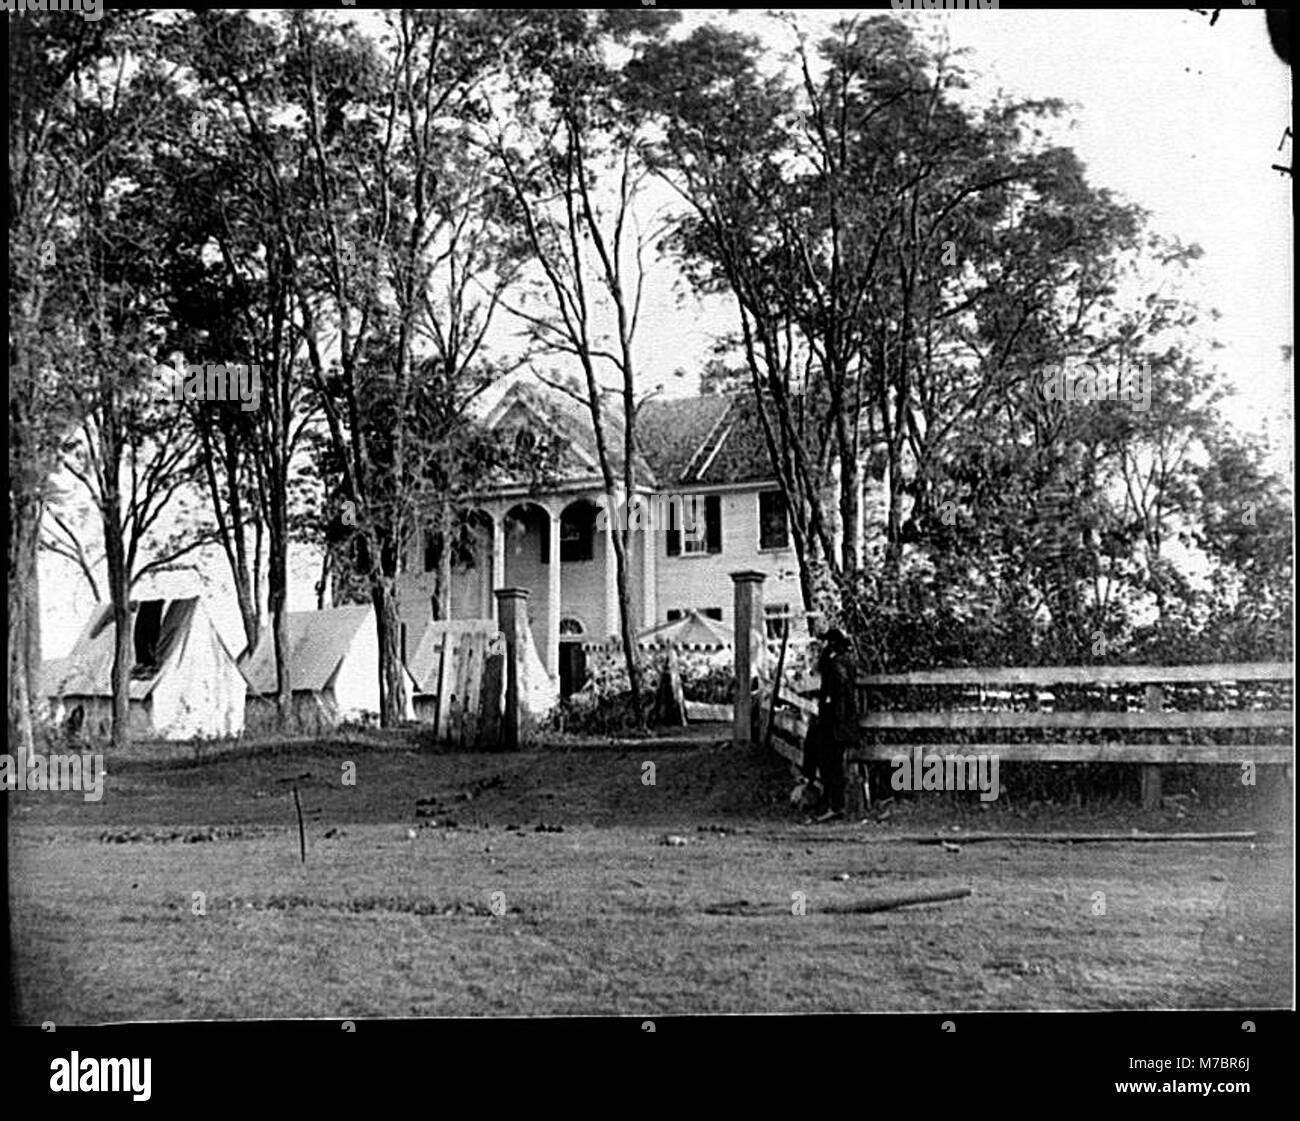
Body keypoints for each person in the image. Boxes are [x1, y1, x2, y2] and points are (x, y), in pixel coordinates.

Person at [813, 627, 858, 822]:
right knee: (831, 763)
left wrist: (830, 702)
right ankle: (834, 803)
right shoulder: (843, 660)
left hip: (835, 721)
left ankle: (835, 805)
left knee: (831, 763)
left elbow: (838, 684)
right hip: (837, 720)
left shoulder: (837, 663)